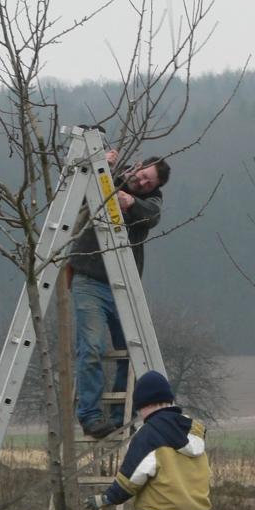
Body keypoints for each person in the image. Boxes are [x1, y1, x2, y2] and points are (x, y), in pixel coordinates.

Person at [70, 149, 171, 438]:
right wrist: (102, 163)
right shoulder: (109, 177)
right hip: (89, 278)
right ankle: (89, 415)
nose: (142, 181)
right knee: (91, 348)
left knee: (129, 352)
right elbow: (81, 187)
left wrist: (130, 202)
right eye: (143, 175)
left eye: (149, 183)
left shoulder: (150, 203)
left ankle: (117, 417)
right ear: (138, 166)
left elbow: (151, 215)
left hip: (123, 284)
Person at [85, 371, 211, 510]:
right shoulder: (192, 429)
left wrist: (106, 499)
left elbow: (130, 479)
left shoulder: (148, 435)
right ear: (169, 401)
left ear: (144, 405)